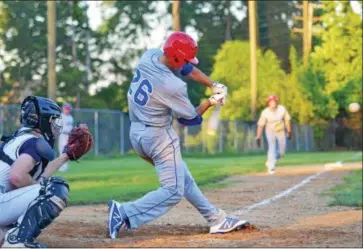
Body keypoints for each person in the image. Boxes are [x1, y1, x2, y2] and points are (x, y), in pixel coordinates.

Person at [107, 31, 249, 239]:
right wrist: (211, 101)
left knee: (182, 179)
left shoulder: (150, 55)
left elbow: (188, 69)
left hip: (136, 134)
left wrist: (213, 84)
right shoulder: (172, 86)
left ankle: (216, 219)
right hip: (158, 138)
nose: (187, 63)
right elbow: (188, 119)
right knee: (173, 190)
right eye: (184, 58)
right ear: (175, 57)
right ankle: (124, 212)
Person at [0, 96, 92, 247]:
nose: (55, 126)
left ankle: (2, 236)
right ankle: (17, 241)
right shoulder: (34, 141)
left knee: (43, 189)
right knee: (55, 188)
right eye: (52, 120)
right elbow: (17, 177)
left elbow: (37, 176)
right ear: (42, 121)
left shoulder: (18, 138)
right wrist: (40, 188)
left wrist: (65, 156)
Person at [255, 95, 291, 174]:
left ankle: (271, 161)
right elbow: (261, 125)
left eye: (274, 102)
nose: (273, 103)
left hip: (280, 130)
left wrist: (289, 131)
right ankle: (271, 167)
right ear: (268, 103)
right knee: (272, 147)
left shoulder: (282, 109)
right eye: (271, 102)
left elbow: (287, 119)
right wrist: (258, 136)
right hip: (270, 131)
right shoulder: (265, 112)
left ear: (277, 102)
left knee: (282, 150)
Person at [58, 103, 74, 172]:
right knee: (62, 151)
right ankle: (62, 167)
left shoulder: (70, 117)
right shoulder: (61, 116)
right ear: (63, 108)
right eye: (66, 108)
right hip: (62, 135)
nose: (67, 110)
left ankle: (65, 167)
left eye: (68, 109)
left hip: (69, 136)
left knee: (67, 152)